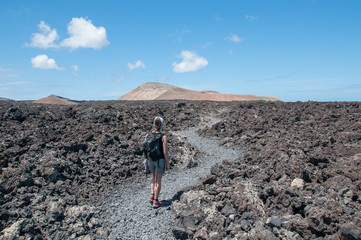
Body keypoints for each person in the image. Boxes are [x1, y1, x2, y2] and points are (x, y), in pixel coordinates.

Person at [145, 116, 170, 208]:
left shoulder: (148, 135)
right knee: (158, 180)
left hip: (151, 160)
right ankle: (156, 201)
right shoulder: (163, 136)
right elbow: (165, 152)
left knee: (153, 177)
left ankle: (152, 195)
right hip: (160, 160)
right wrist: (167, 163)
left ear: (154, 123)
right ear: (162, 124)